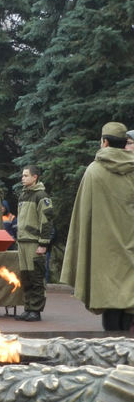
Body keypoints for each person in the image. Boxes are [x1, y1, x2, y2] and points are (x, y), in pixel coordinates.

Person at [61, 121, 134, 331]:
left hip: (103, 252)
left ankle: (110, 351)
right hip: (130, 248)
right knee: (129, 302)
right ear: (124, 143)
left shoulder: (94, 171)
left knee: (109, 302)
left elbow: (84, 215)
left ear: (104, 142)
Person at [15, 165, 54, 322]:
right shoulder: (23, 195)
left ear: (34, 177)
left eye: (25, 175)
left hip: (33, 241)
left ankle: (36, 310)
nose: (22, 178)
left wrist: (43, 243)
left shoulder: (41, 196)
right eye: (22, 175)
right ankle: (28, 307)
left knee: (35, 276)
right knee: (25, 277)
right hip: (22, 241)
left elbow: (46, 220)